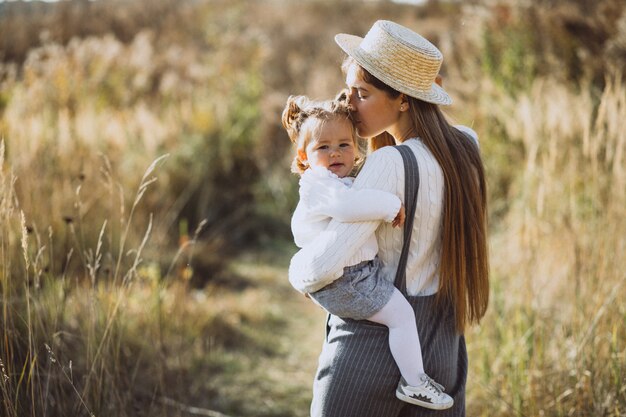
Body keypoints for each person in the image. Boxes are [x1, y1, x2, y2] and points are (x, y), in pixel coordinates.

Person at [288, 20, 489, 417]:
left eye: (362, 93)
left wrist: (295, 271)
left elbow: (322, 267)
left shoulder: (387, 162)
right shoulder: (467, 146)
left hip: (371, 346)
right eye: (349, 91)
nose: (349, 104)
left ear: (404, 99)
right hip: (445, 342)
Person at [282, 94, 454, 410]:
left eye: (344, 144)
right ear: (304, 156)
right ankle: (415, 383)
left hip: (353, 273)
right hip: (347, 278)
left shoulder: (341, 180)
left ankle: (415, 380)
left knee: (399, 314)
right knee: (401, 316)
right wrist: (390, 206)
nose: (335, 152)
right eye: (323, 147)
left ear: (356, 146)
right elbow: (347, 208)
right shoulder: (318, 183)